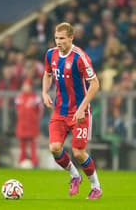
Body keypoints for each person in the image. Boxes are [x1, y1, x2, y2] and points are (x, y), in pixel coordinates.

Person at [42, 22, 102, 200]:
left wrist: (83, 108)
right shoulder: (50, 54)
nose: (58, 42)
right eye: (56, 38)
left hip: (79, 111)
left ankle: (96, 186)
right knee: (54, 148)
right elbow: (47, 73)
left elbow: (95, 83)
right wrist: (44, 92)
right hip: (60, 110)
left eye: (62, 38)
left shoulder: (80, 57)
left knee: (78, 151)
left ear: (71, 38)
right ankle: (75, 175)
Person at [15, 79, 42, 168]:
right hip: (22, 124)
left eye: (27, 85)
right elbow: (17, 110)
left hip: (32, 125)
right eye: (24, 85)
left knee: (33, 144)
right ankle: (21, 161)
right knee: (22, 144)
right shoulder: (19, 97)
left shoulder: (35, 98)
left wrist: (35, 120)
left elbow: (40, 111)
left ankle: (34, 162)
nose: (25, 87)